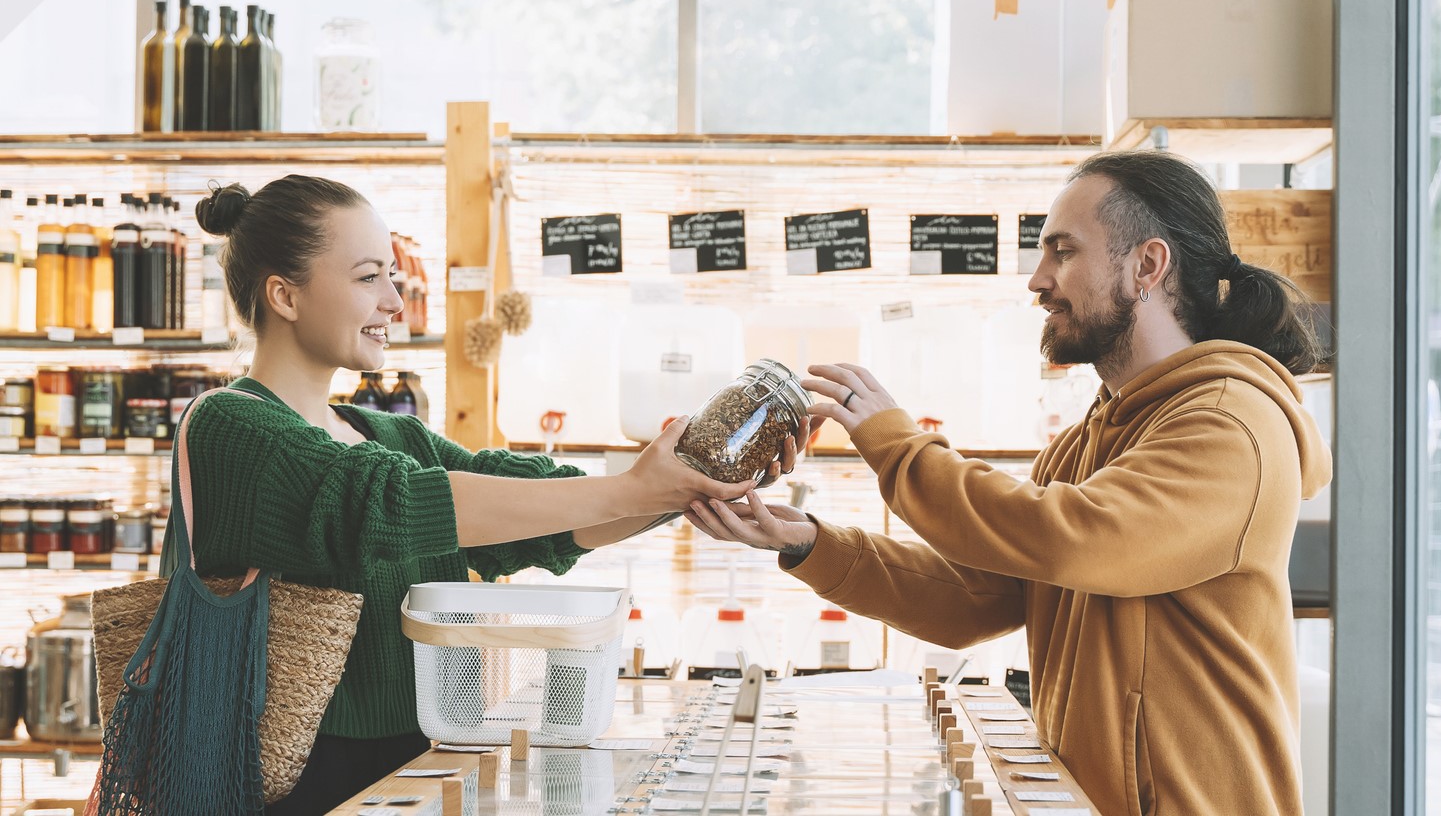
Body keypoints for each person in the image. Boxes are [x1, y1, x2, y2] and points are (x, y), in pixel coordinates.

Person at [686, 151, 1333, 816]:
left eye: (1062, 251)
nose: (1037, 280)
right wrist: (807, 543)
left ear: (1147, 266)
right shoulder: (1089, 441)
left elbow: (1078, 540)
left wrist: (900, 449)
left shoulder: (1230, 424)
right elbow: (976, 596)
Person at [161, 175, 800, 814]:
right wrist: (635, 488)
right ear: (284, 295)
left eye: (392, 276)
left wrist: (707, 472)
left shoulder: (391, 435)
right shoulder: (229, 427)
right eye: (367, 278)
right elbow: (387, 506)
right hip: (281, 788)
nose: (394, 302)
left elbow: (541, 516)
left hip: (417, 766)